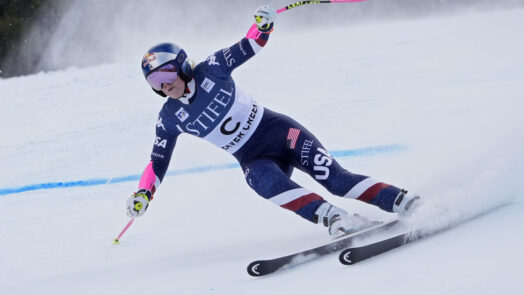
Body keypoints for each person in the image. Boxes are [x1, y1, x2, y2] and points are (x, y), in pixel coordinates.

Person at [126, 5, 420, 238]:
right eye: (154, 81)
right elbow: (157, 161)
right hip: (253, 157)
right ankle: (335, 218)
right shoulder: (168, 118)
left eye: (166, 75)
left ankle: (402, 201)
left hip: (279, 132)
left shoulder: (212, 68)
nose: (163, 85)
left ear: (182, 65)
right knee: (262, 183)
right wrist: (144, 193)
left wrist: (263, 25)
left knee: (337, 180)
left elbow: (250, 44)